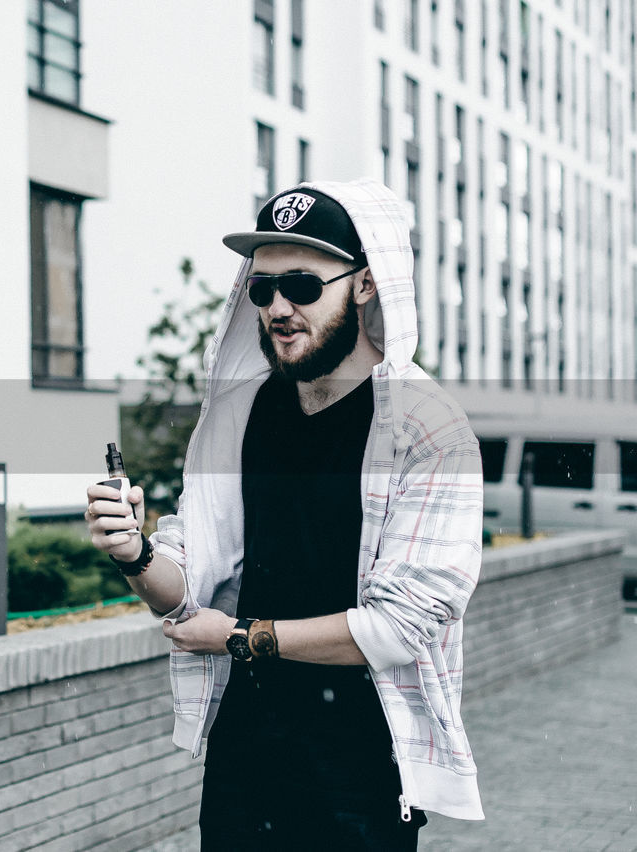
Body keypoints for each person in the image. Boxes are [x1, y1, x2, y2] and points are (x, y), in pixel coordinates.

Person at [85, 179, 484, 849]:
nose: (278, 306)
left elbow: (403, 625)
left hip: (362, 765)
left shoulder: (426, 427)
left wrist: (240, 635)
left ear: (364, 284)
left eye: (302, 285)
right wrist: (137, 554)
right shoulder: (239, 416)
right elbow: (188, 592)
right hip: (247, 757)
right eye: (262, 288)